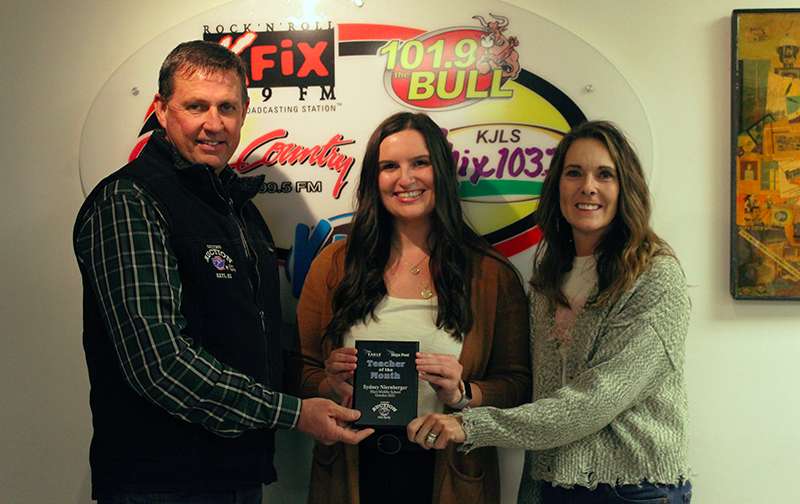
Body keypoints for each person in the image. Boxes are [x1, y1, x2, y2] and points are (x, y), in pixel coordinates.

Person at [73, 40, 371, 504]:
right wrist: (292, 412)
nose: (214, 124)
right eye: (196, 106)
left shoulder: (238, 210)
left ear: (245, 112)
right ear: (161, 109)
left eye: (227, 107)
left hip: (234, 474)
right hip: (160, 482)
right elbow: (160, 364)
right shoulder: (131, 201)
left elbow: (246, 343)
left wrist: (317, 384)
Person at [410, 121, 693, 503]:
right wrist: (463, 394)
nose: (587, 187)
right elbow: (542, 394)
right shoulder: (548, 280)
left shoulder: (655, 277)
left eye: (604, 175)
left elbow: (596, 399)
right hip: (553, 486)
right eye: (574, 173)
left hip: (634, 489)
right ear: (557, 186)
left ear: (627, 188)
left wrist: (471, 426)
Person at [296, 112, 531, 504]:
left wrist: (463, 393)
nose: (405, 179)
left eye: (420, 163)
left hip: (450, 477)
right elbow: (297, 368)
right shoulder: (334, 266)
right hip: (351, 473)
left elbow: (519, 385)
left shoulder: (490, 275)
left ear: (440, 170)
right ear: (375, 179)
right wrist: (327, 385)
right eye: (390, 166)